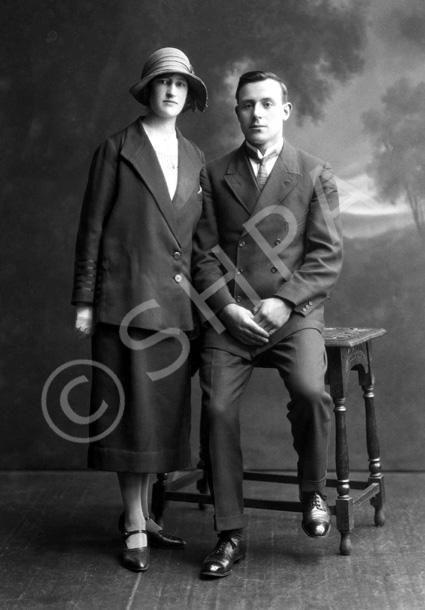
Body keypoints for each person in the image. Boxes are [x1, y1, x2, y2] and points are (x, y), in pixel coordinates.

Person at [191, 71, 343, 578]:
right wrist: (227, 308)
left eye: (265, 104)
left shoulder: (314, 172)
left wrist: (284, 301)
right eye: (245, 105)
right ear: (236, 113)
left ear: (286, 110)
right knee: (216, 409)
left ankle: (313, 493)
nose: (255, 114)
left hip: (293, 315)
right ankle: (230, 532)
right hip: (231, 315)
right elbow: (203, 256)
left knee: (310, 390)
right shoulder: (215, 174)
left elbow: (325, 258)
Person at [72, 48, 208, 572]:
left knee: (160, 422)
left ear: (189, 94)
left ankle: (148, 517)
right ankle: (132, 521)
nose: (171, 91)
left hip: (176, 309)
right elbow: (91, 229)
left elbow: (197, 240)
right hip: (124, 302)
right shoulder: (116, 149)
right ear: (148, 90)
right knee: (130, 421)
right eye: (162, 82)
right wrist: (85, 299)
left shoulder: (196, 157)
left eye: (180, 83)